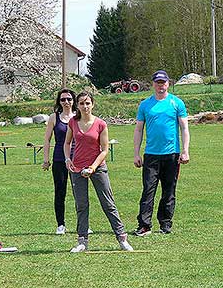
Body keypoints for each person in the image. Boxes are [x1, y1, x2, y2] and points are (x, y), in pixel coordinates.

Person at [64, 91, 133, 252]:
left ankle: (122, 238)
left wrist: (93, 167)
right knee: (81, 204)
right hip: (77, 168)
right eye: (81, 103)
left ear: (92, 104)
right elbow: (67, 143)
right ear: (77, 105)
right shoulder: (73, 123)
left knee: (108, 203)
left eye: (87, 103)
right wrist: (68, 159)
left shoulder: (101, 124)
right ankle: (82, 241)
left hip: (97, 167)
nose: (85, 106)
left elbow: (104, 149)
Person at [133, 70, 190, 236]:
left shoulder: (176, 103)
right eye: (158, 82)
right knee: (148, 190)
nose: (160, 86)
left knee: (169, 191)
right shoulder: (145, 105)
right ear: (153, 84)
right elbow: (138, 130)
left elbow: (184, 128)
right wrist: (136, 153)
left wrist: (185, 151)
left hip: (172, 155)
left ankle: (165, 223)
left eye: (163, 82)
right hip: (151, 155)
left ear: (168, 84)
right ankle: (144, 225)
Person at [42, 89, 77, 235]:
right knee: (60, 192)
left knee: (79, 193)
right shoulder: (54, 117)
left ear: (73, 101)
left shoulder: (78, 116)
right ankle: (60, 224)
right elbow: (47, 139)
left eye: (69, 99)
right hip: (59, 159)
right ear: (59, 102)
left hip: (77, 159)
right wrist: (46, 159)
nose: (66, 102)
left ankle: (83, 224)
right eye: (63, 100)